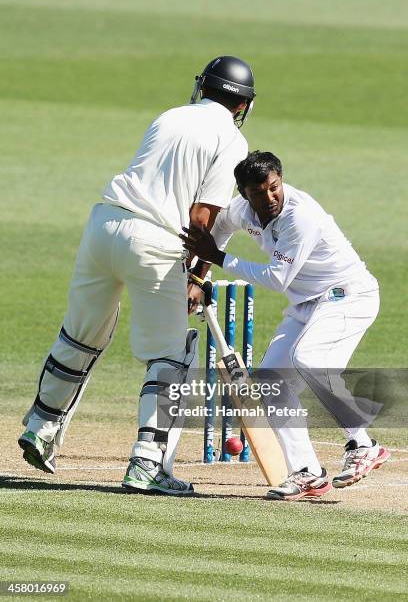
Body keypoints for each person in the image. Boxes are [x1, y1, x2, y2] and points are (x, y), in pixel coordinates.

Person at [18, 56, 255, 496]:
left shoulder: (171, 115)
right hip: (154, 240)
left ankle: (41, 425)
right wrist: (197, 275)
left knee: (81, 335)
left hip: (103, 225)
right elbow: (202, 218)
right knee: (169, 355)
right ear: (242, 105)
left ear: (205, 88)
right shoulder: (232, 142)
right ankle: (148, 463)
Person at [181, 150, 390, 501]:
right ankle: (308, 472)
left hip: (348, 296)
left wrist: (218, 258)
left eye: (274, 187)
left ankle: (363, 444)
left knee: (308, 358)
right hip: (307, 304)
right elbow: (218, 231)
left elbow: (277, 278)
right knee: (271, 383)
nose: (270, 197)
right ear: (244, 192)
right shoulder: (241, 209)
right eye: (259, 192)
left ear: (280, 179)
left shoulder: (300, 216)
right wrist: (199, 278)